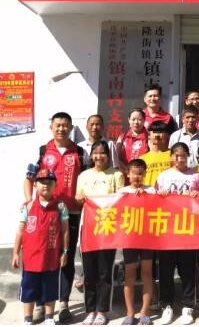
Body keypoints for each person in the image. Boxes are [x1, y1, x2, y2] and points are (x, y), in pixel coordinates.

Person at [24, 112, 84, 324]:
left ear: (71, 128)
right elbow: (29, 178)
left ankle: (64, 303)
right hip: (45, 213)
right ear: (51, 127)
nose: (61, 128)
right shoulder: (42, 151)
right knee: (43, 257)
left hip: (71, 213)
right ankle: (41, 304)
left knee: (66, 257)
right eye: (57, 125)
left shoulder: (80, 152)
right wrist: (29, 201)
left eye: (65, 125)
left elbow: (86, 178)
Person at [75, 140, 125, 325]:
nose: (99, 156)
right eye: (95, 153)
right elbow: (78, 196)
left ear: (108, 155)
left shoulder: (116, 174)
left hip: (107, 228)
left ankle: (102, 310)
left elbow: (120, 199)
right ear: (91, 156)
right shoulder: (83, 175)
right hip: (88, 227)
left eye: (102, 152)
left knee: (104, 272)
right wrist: (80, 198)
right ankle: (90, 310)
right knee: (89, 273)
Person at [13, 169, 69, 327]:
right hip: (30, 258)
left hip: (51, 258)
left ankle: (50, 318)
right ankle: (28, 319)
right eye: (42, 182)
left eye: (49, 182)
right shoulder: (28, 206)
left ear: (55, 185)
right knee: (29, 290)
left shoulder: (60, 206)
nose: (46, 185)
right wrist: (15, 253)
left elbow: (65, 231)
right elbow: (20, 231)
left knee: (50, 289)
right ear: (35, 185)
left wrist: (65, 252)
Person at [156, 142, 199, 325]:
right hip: (167, 230)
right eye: (176, 155)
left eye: (183, 155)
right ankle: (166, 306)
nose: (180, 159)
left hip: (188, 230)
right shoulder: (163, 176)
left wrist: (198, 195)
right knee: (165, 270)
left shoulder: (195, 176)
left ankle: (187, 306)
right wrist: (159, 194)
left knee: (187, 269)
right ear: (171, 157)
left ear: (188, 157)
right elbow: (154, 200)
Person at [118, 159, 155, 326]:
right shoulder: (122, 192)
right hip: (129, 239)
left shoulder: (151, 190)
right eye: (133, 173)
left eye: (140, 174)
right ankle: (130, 312)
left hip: (147, 238)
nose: (137, 177)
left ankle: (145, 312)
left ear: (145, 174)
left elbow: (161, 205)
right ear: (128, 174)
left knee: (147, 273)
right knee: (130, 275)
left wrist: (147, 196)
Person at [139, 121, 172, 187]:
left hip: (169, 192)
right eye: (154, 132)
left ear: (167, 135)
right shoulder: (142, 159)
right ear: (149, 136)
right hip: (149, 192)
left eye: (160, 132)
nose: (157, 135)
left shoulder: (174, 155)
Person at [116, 108, 149, 172]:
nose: (136, 122)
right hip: (125, 173)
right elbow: (116, 157)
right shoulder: (122, 137)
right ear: (129, 120)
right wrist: (126, 170)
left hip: (143, 173)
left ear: (144, 120)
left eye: (139, 119)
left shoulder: (149, 137)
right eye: (133, 119)